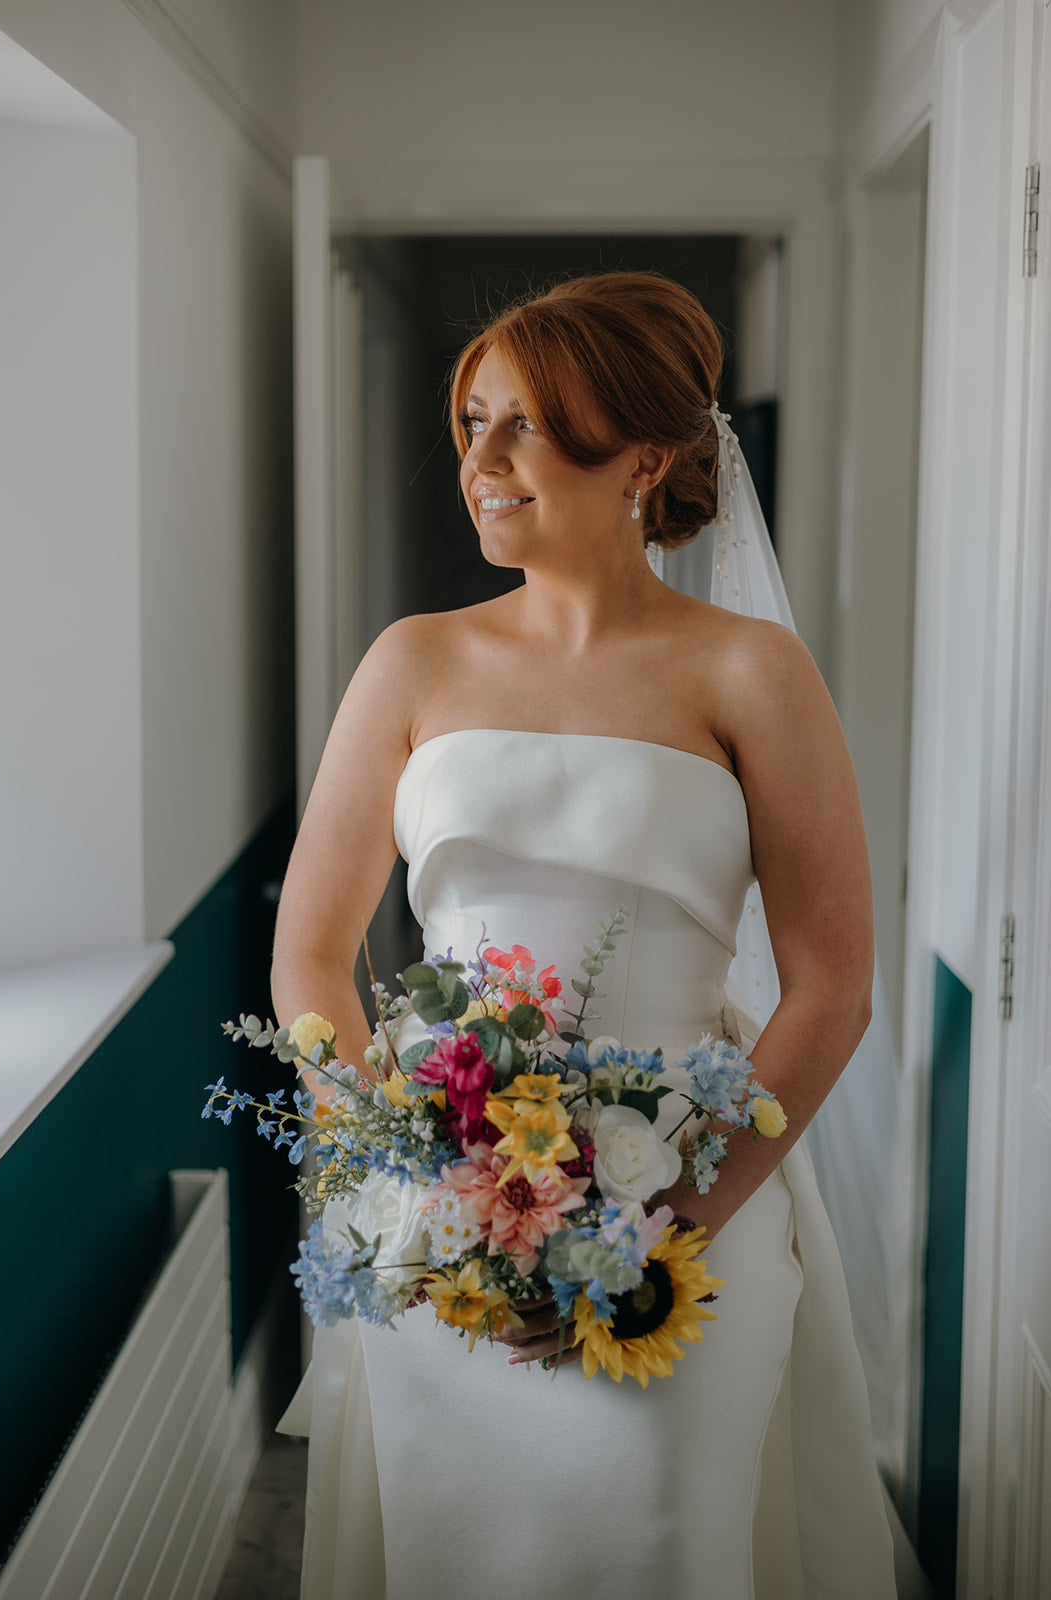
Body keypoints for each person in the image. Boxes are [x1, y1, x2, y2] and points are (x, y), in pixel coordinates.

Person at [272, 271, 899, 1598]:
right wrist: (396, 1164)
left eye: (524, 428)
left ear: (645, 458)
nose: (482, 464)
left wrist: (676, 1216)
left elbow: (832, 984)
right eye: (471, 424)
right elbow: (312, 951)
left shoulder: (752, 674)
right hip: (445, 1206)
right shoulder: (412, 663)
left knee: (658, 1538)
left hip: (686, 1190)